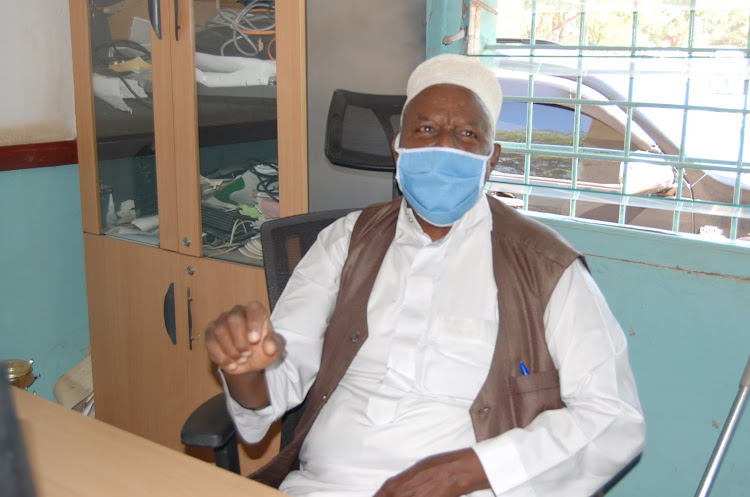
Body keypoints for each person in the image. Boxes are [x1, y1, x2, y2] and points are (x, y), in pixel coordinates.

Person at [205, 54, 646, 497]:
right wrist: (245, 374)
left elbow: (614, 417)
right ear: (399, 146)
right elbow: (279, 371)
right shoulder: (345, 242)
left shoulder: (546, 266)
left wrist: (474, 471)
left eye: (467, 134)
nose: (444, 147)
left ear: (491, 158)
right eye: (427, 130)